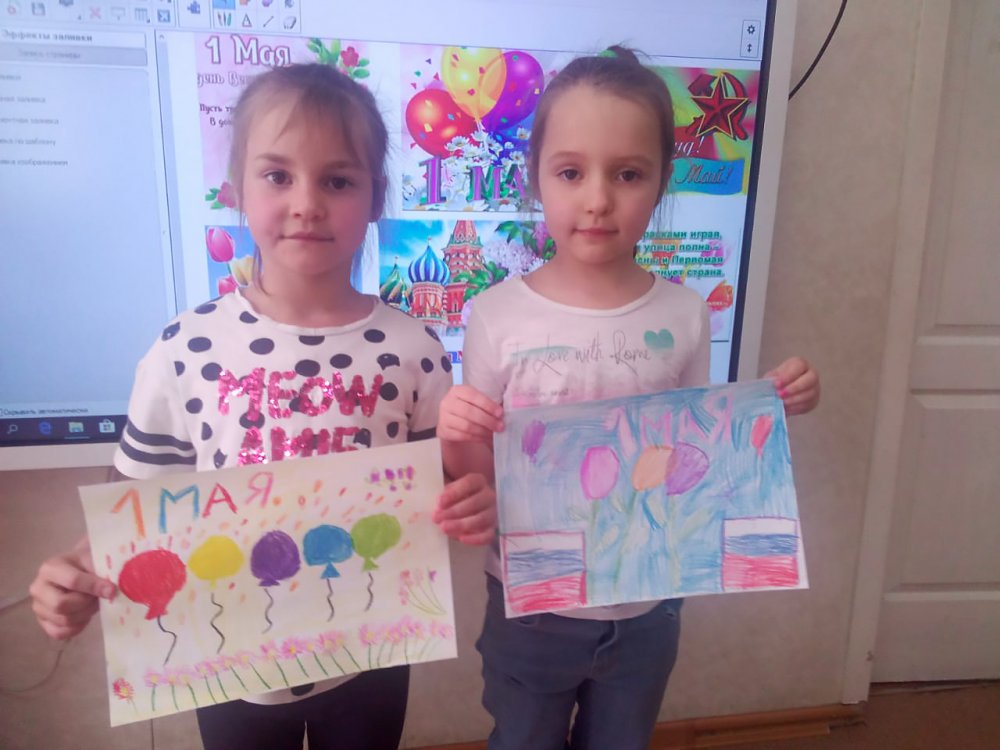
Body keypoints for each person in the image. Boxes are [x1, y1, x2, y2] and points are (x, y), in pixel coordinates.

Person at [28, 63, 495, 750]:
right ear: (236, 191)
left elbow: (436, 487)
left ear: (375, 197)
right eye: (278, 175)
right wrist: (74, 574)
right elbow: (138, 511)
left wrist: (467, 498)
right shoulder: (184, 349)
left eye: (337, 180)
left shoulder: (415, 349)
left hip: (369, 651)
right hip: (228, 660)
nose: (307, 203)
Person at [435, 47, 821, 750]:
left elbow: (694, 460)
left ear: (663, 181)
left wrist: (767, 407)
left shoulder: (684, 313)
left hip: (648, 606)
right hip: (534, 606)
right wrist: (457, 428)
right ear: (536, 176)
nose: (597, 199)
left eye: (628, 174)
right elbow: (477, 481)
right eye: (571, 172)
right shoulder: (495, 315)